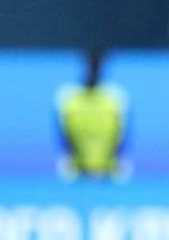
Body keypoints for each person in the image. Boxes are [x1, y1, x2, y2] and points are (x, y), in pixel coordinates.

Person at [55, 48, 131, 181]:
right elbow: (63, 138)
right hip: (77, 173)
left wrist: (116, 166)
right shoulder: (67, 97)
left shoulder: (116, 98)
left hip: (109, 174)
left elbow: (122, 138)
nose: (93, 69)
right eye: (91, 65)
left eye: (97, 65)